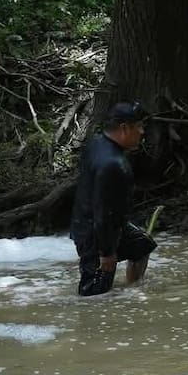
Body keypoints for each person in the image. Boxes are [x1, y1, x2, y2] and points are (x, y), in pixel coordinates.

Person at [69, 101, 157, 297]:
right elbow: (103, 213)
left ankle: (132, 292)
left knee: (142, 245)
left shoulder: (95, 143)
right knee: (95, 290)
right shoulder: (114, 165)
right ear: (125, 128)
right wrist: (107, 253)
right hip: (95, 232)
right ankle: (90, 320)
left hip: (98, 222)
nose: (142, 132)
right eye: (139, 127)